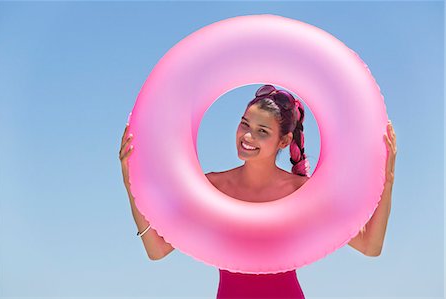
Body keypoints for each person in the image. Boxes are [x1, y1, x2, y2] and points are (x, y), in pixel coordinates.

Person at [119, 84, 397, 298]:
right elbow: (157, 250)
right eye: (244, 124)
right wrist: (131, 181)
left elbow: (370, 246)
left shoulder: (302, 191)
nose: (247, 136)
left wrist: (387, 179)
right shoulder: (212, 188)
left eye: (262, 131)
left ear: (284, 140)